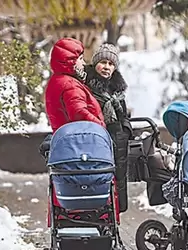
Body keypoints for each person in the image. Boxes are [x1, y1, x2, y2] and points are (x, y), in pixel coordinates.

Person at [84, 43, 132, 213]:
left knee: (118, 176)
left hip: (117, 138)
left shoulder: (118, 89)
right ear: (95, 62)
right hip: (97, 136)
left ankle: (115, 210)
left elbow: (124, 114)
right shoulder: (87, 85)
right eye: (103, 62)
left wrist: (125, 129)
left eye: (111, 64)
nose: (107, 67)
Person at [44, 38, 105, 133]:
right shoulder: (70, 85)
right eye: (80, 59)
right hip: (82, 141)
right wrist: (101, 126)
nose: (84, 63)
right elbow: (79, 113)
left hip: (67, 139)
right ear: (70, 61)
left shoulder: (57, 80)